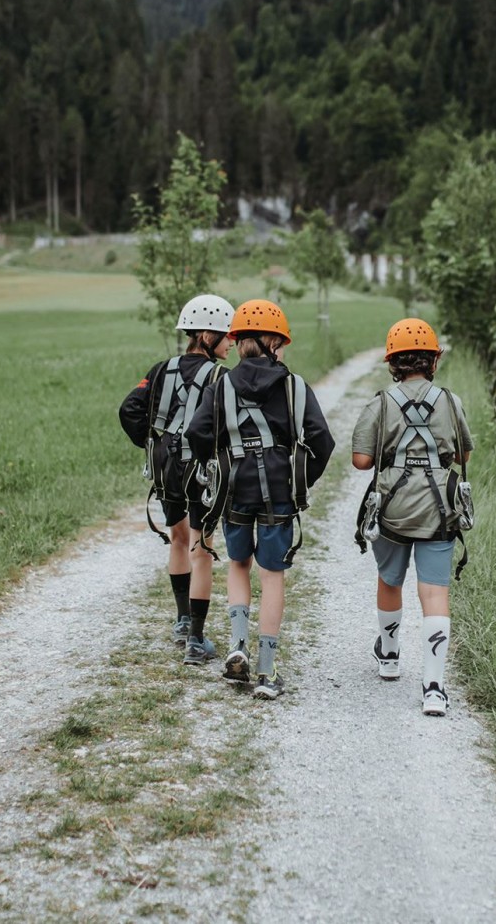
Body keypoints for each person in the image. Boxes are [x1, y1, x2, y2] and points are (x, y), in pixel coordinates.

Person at [185, 299, 335, 700]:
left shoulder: (220, 386)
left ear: (239, 342)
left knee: (238, 564)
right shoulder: (293, 386)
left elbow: (198, 435)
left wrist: (218, 464)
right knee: (272, 577)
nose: (283, 350)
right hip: (278, 495)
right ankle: (266, 672)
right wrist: (300, 483)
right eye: (281, 342)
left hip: (234, 490)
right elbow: (322, 441)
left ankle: (237, 645)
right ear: (271, 341)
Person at [351, 318, 473, 716]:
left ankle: (388, 656)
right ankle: (434, 688)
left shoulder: (381, 402)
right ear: (433, 361)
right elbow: (464, 455)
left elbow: (361, 460)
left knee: (390, 580)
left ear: (392, 363)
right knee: (434, 592)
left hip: (393, 507)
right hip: (440, 508)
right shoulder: (450, 401)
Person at [119, 293, 235, 665]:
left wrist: (150, 442)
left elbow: (129, 409)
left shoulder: (159, 369)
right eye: (226, 335)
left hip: (166, 465)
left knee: (178, 538)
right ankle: (197, 642)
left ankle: (183, 620)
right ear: (205, 336)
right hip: (201, 468)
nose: (231, 341)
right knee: (203, 547)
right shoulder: (221, 377)